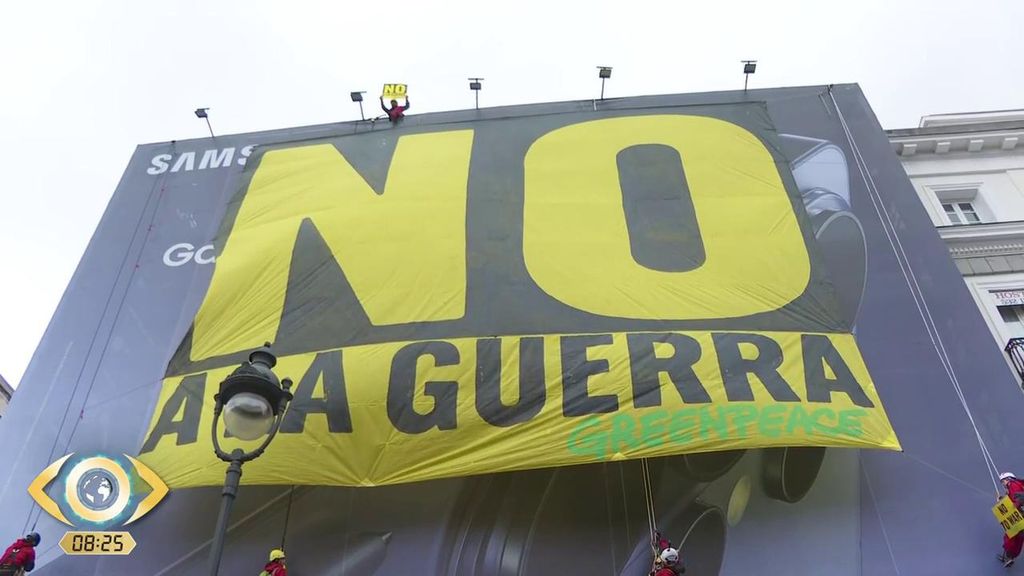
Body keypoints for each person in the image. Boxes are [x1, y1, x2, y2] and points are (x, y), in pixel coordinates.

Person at [999, 472, 1024, 567]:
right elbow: (1012, 498)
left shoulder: (1014, 485)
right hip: (1020, 517)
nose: (1003, 484)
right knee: (1018, 538)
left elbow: (1019, 498)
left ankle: (1009, 556)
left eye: (1003, 481)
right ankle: (1009, 557)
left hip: (1019, 518)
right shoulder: (1013, 487)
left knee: (1010, 536)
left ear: (1008, 479)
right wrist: (1002, 499)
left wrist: (1015, 505)